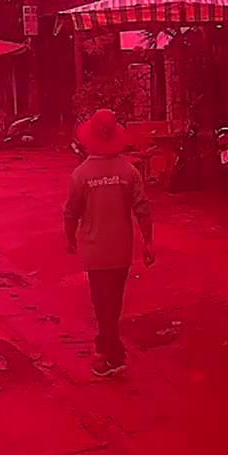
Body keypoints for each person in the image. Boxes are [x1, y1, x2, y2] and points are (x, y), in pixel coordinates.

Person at [63, 109, 154, 378]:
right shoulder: (129, 171)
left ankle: (111, 353)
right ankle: (108, 347)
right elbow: (143, 209)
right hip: (121, 249)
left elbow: (71, 213)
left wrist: (70, 239)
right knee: (113, 301)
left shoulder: (80, 175)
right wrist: (148, 242)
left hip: (95, 250)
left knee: (102, 303)